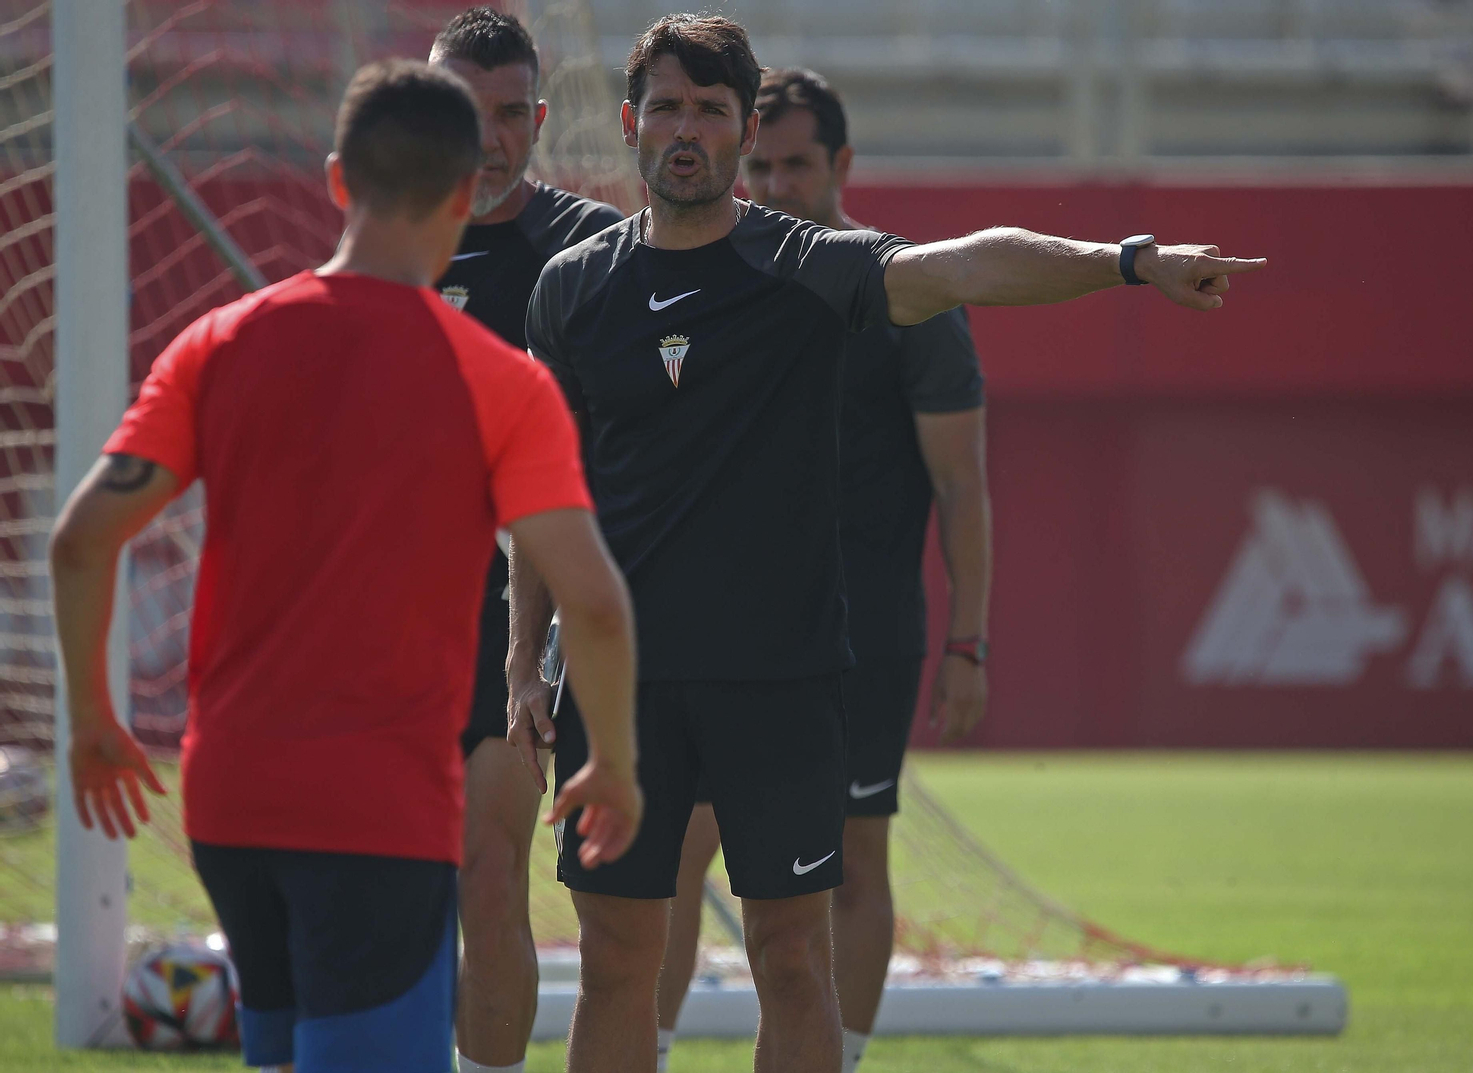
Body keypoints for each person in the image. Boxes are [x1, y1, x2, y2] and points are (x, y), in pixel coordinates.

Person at [510, 15, 1264, 1073]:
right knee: (617, 960)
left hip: (782, 677)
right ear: (631, 122)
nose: (688, 129)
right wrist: (523, 657)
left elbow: (970, 268)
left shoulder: (808, 267)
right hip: (617, 685)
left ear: (740, 130)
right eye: (669, 107)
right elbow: (546, 495)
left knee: (790, 958)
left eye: (713, 111)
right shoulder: (568, 289)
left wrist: (1130, 260)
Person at [51, 59, 641, 1073]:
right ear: (465, 194)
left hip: (230, 797)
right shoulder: (499, 381)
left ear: (335, 182)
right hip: (376, 810)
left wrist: (97, 725)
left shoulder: (219, 342)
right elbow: (591, 599)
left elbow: (79, 540)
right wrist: (616, 762)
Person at [653, 67, 990, 1073]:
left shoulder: (907, 294)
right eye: (760, 164)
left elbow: (961, 486)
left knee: (851, 863)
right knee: (677, 852)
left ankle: (831, 1059)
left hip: (862, 636)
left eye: (796, 164)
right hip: (726, 632)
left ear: (841, 164)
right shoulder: (718, 280)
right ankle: (651, 1049)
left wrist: (968, 639)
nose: (776, 183)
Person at [426, 11, 626, 1072]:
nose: (491, 139)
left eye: (511, 115)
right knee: (399, 889)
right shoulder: (381, 251)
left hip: (525, 614)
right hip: (395, 615)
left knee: (494, 873)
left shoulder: (591, 252)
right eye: (466, 114)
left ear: (540, 119)